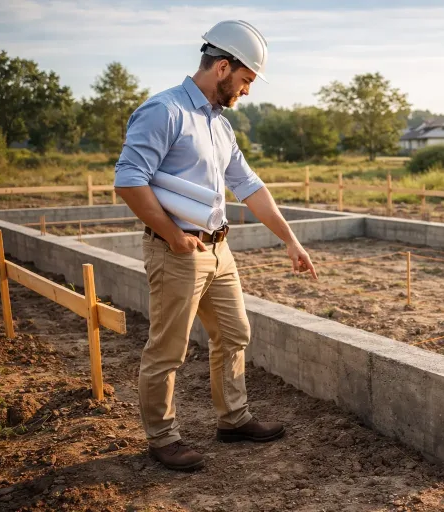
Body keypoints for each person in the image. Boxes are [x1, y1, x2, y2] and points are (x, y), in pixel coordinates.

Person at [113, 20, 318, 472]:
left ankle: (233, 418)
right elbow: (128, 181)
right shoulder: (164, 111)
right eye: (245, 80)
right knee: (168, 350)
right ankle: (163, 438)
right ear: (222, 67)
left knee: (234, 333)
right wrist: (173, 236)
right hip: (177, 252)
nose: (247, 91)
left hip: (218, 250)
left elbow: (250, 187)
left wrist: (291, 240)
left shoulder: (220, 126)